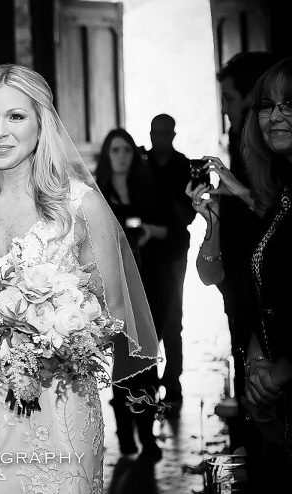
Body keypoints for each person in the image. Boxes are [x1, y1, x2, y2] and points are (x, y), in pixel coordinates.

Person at [0, 65, 158, 493]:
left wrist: (52, 335)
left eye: (15, 117)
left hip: (59, 399)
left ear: (41, 122)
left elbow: (114, 316)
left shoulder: (80, 206)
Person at [186, 52, 276, 453]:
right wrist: (215, 210)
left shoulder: (265, 155)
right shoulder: (243, 147)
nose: (224, 106)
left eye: (229, 97)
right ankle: (250, 443)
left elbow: (270, 213)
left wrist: (236, 191)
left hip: (270, 285)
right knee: (246, 363)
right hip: (239, 279)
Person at [237, 57, 292, 486]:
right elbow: (268, 292)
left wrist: (280, 371)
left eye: (289, 104)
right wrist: (256, 360)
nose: (274, 116)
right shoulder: (283, 193)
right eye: (266, 105)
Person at [95, 128, 165, 460]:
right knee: (123, 362)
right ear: (107, 157)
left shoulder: (147, 188)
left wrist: (149, 231)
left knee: (148, 362)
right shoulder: (98, 194)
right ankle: (125, 430)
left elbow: (171, 229)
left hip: (149, 282)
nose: (121, 156)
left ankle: (147, 433)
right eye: (115, 151)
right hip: (113, 289)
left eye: (126, 150)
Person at [144, 113, 195, 408]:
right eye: (154, 132)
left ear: (173, 135)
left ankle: (173, 381)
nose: (157, 138)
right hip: (148, 253)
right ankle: (148, 382)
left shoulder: (182, 165)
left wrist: (167, 192)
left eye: (163, 133)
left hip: (175, 251)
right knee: (149, 320)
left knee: (174, 318)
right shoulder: (144, 163)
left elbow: (188, 215)